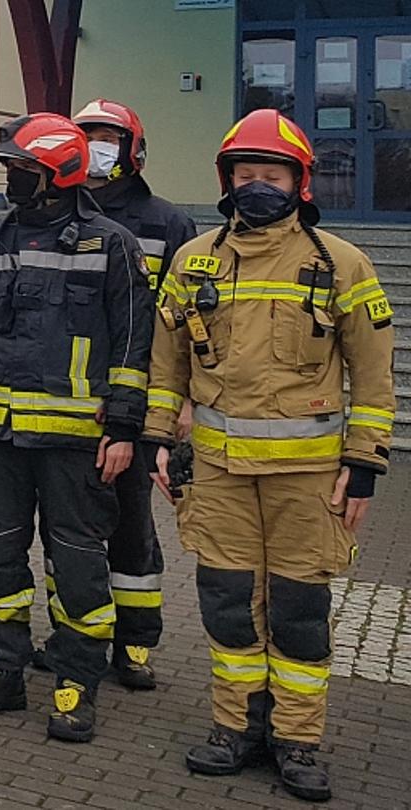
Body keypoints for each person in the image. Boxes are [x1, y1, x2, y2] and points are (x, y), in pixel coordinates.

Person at [146, 109, 393, 802]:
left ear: (298, 181)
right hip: (219, 477)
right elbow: (165, 367)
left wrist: (365, 463)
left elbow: (372, 378)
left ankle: (298, 741)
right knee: (226, 609)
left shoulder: (341, 264)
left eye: (271, 173)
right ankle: (236, 730)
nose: (257, 184)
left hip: (308, 481)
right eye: (245, 174)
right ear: (226, 180)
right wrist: (157, 440)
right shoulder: (193, 261)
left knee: (299, 613)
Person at [0, 112, 153, 742]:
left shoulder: (111, 243)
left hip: (75, 440)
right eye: (10, 169)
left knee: (78, 566)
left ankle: (74, 680)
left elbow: (134, 343)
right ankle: (0, 670)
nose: (11, 179)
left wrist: (123, 428)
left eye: (22, 170)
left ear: (59, 173)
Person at [62, 98, 199, 690]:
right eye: (86, 135)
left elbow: (189, 323)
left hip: (139, 402)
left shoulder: (167, 224)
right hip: (72, 404)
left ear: (133, 148)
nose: (96, 146)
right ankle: (75, 634)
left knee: (133, 528)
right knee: (73, 530)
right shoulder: (59, 215)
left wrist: (183, 400)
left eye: (107, 137)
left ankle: (136, 642)